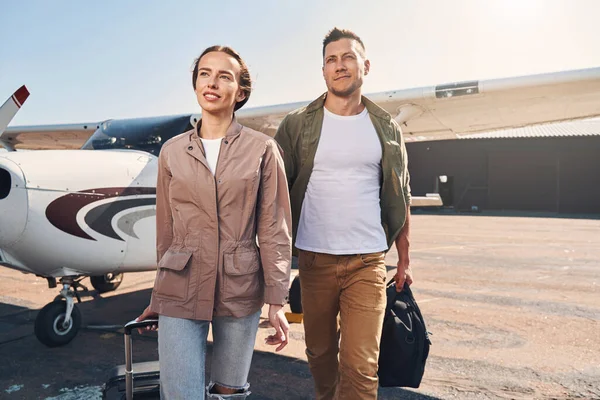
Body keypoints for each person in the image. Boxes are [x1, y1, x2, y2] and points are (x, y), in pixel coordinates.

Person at [136, 45, 292, 399]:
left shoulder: (263, 149)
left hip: (240, 285)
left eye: (225, 76)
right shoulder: (172, 152)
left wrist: (277, 301)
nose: (213, 82)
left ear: (240, 91)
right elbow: (166, 232)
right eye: (205, 73)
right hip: (180, 284)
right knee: (180, 394)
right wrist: (158, 296)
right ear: (195, 85)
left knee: (228, 392)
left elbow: (273, 228)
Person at [274, 28, 413, 400]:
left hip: (367, 262)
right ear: (323, 71)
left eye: (348, 57)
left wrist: (404, 259)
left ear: (365, 66)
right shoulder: (296, 125)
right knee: (320, 356)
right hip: (315, 260)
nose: (340, 66)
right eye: (331, 60)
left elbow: (402, 192)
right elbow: (273, 193)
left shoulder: (386, 129)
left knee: (361, 364)